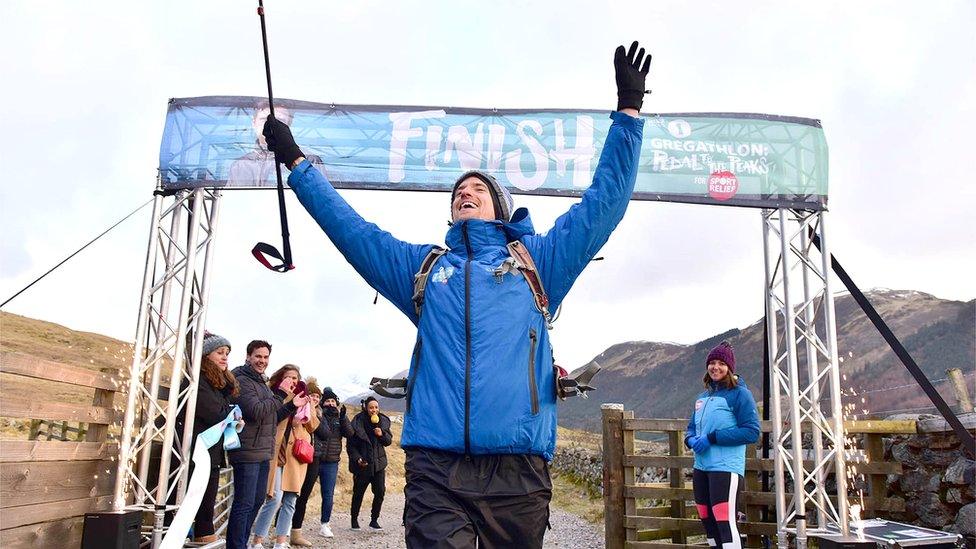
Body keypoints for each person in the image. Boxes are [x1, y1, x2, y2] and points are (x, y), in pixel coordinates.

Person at [262, 41, 652, 548]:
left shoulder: (539, 263)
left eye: (477, 189)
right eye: (457, 193)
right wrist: (295, 162)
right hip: (435, 471)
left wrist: (628, 114)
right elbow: (352, 231)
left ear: (501, 207)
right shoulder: (424, 271)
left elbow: (606, 203)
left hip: (518, 473)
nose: (464, 193)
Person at [227, 341, 304, 549]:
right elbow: (256, 411)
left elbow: (271, 416)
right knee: (244, 503)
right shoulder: (241, 379)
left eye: (265, 357)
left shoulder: (261, 382)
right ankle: (236, 545)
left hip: (262, 451)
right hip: (247, 450)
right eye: (258, 356)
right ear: (248, 356)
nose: (262, 361)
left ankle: (241, 543)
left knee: (258, 500)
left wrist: (290, 406)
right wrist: (279, 394)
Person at [684, 341, 760, 549]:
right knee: (707, 520)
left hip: (725, 468)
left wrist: (712, 438)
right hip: (701, 468)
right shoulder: (703, 397)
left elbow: (751, 432)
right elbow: (691, 427)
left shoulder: (740, 395)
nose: (715, 367)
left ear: (730, 368)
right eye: (712, 363)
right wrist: (690, 440)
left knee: (725, 522)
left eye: (721, 363)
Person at [180, 332, 240, 544]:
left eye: (227, 353)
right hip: (192, 454)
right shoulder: (198, 380)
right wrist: (230, 411)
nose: (225, 357)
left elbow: (224, 411)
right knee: (193, 509)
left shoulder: (221, 384)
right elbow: (215, 413)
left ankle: (204, 540)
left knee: (206, 511)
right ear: (206, 355)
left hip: (211, 454)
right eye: (219, 352)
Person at [251, 365, 318, 549]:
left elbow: (313, 425)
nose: (292, 381)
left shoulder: (305, 397)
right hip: (276, 450)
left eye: (295, 378)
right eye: (288, 377)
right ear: (281, 379)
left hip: (296, 454)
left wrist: (301, 420)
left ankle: (281, 541)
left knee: (290, 499)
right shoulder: (274, 394)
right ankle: (257, 540)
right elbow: (268, 419)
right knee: (274, 498)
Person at [305, 386, 352, 538]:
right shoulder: (318, 414)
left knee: (328, 495)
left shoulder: (340, 417)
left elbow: (350, 433)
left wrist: (344, 418)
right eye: (327, 401)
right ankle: (292, 523)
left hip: (331, 461)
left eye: (333, 401)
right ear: (322, 403)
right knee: (303, 492)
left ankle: (325, 524)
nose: (330, 403)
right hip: (314, 459)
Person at [346, 396, 393, 531]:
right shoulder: (357, 423)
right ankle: (354, 519)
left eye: (376, 407)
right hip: (363, 465)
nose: (374, 410)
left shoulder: (382, 422)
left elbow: (388, 441)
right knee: (358, 493)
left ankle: (374, 520)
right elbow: (351, 446)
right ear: (366, 408)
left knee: (380, 492)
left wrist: (381, 434)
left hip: (378, 465)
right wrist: (358, 459)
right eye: (371, 407)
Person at [288, 378, 325, 547]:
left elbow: (325, 433)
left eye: (318, 396)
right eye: (313, 395)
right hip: (297, 454)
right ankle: (282, 530)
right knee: (290, 494)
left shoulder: (319, 414)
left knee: (303, 497)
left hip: (314, 457)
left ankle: (296, 532)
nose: (315, 399)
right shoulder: (301, 410)